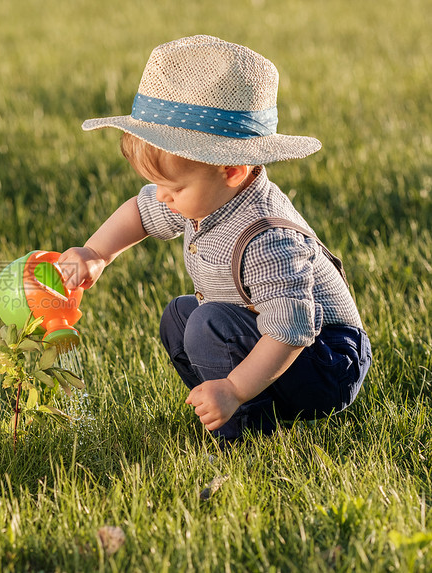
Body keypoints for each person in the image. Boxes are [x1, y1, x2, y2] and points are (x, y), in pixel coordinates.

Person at [58, 35, 372, 440]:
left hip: (324, 360)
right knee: (179, 317)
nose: (163, 197)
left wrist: (235, 388)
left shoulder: (266, 236)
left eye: (173, 188)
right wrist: (95, 252)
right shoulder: (205, 196)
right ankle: (238, 405)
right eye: (157, 185)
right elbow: (140, 211)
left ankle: (243, 428)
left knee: (209, 323)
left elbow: (292, 330)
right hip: (275, 336)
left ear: (233, 169)